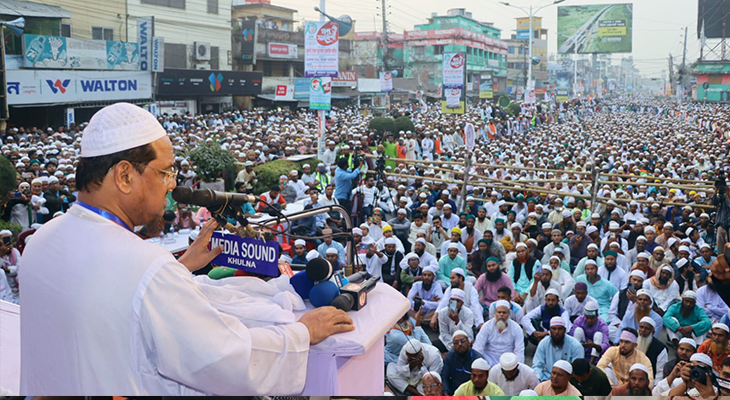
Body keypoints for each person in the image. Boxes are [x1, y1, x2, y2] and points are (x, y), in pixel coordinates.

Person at [19, 103, 354, 395]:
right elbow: (226, 358)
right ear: (124, 175)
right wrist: (302, 333)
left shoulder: (41, 242)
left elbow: (114, 309)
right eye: (165, 171)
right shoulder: (145, 268)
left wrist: (183, 265)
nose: (172, 185)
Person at [473, 300, 525, 367]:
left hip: (508, 360)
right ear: (495, 314)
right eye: (499, 312)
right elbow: (478, 347)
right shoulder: (487, 326)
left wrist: (517, 368)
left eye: (504, 312)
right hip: (489, 360)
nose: (501, 315)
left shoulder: (516, 328)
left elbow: (519, 351)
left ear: (509, 314)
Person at [532, 316, 584, 382]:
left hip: (566, 381)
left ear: (564, 330)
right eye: (554, 329)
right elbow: (537, 365)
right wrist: (538, 381)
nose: (557, 332)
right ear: (549, 330)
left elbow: (576, 370)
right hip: (546, 379)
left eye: (560, 329)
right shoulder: (543, 343)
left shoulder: (576, 346)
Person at [440, 330, 484, 395]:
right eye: (456, 342)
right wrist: (446, 392)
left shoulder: (477, 359)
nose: (460, 344)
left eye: (462, 341)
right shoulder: (450, 356)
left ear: (469, 342)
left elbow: (481, 382)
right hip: (454, 391)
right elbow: (445, 377)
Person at [636, 316, 668, 382]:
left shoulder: (660, 348)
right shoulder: (632, 341)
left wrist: (655, 387)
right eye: (641, 327)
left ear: (652, 332)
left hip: (649, 380)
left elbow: (660, 372)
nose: (643, 330)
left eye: (647, 328)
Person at [0, 230, 20, 304]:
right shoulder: (1, 253)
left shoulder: (15, 252)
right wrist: (2, 253)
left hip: (17, 291)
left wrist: (7, 269)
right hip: (5, 292)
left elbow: (19, 269)